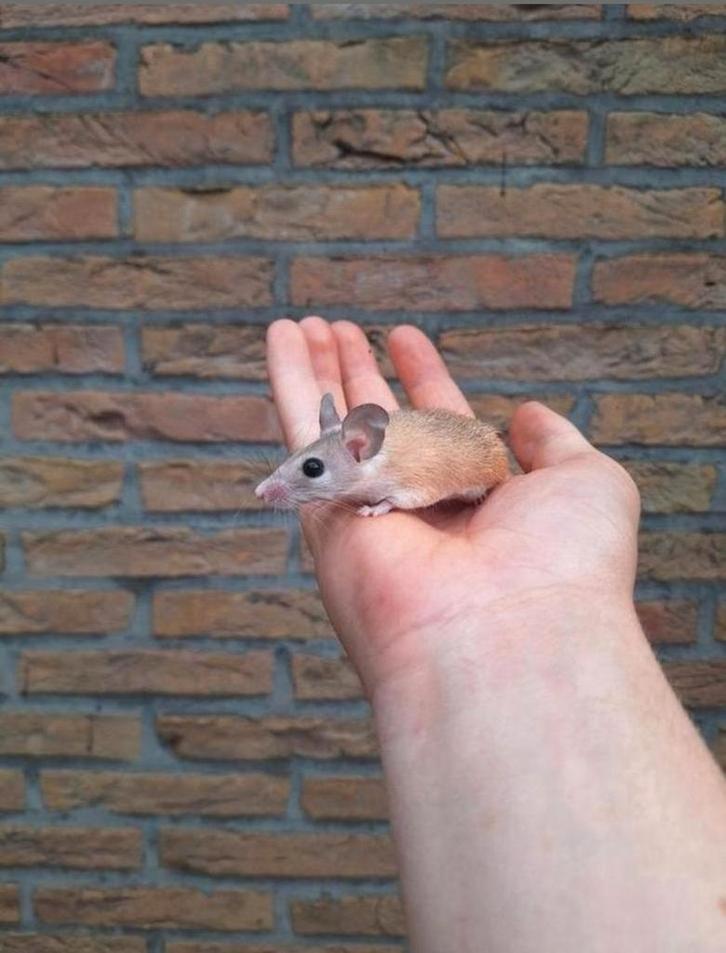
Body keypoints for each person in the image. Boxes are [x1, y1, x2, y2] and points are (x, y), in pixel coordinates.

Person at [266, 316, 726, 952]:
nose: (284, 487)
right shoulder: (359, 455)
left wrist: (386, 504)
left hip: (468, 470)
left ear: (361, 449)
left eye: (310, 473)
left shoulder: (389, 470)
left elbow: (419, 486)